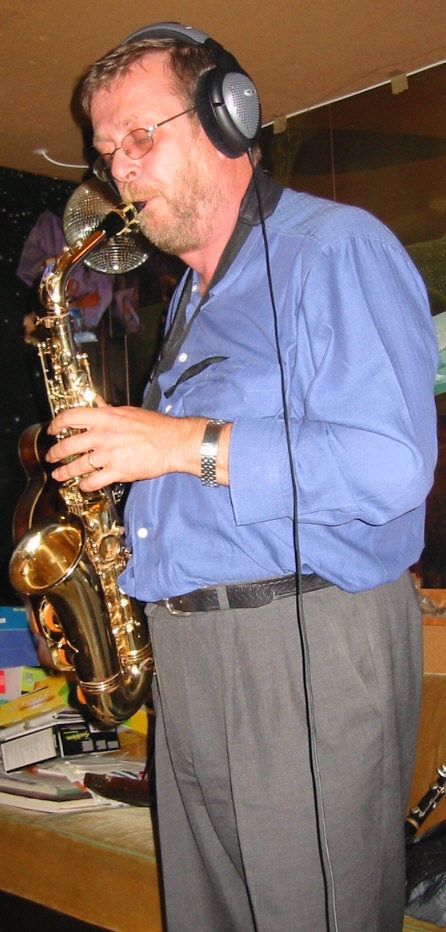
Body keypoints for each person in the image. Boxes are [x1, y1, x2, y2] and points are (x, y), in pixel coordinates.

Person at [45, 23, 438, 932]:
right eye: (107, 152)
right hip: (194, 662)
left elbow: (391, 463)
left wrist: (180, 445)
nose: (120, 171)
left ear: (228, 119)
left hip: (299, 648)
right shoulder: (192, 298)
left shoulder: (332, 248)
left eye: (140, 137)